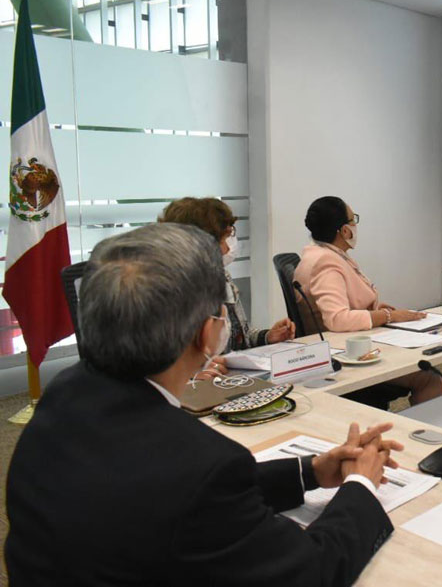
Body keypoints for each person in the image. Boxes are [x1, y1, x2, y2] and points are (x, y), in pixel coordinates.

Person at [5, 223, 401, 586]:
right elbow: (312, 573)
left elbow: (168, 493)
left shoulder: (64, 393)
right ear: (206, 333)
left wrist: (311, 471)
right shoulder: (203, 467)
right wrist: (361, 484)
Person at [294, 196, 442, 405]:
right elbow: (337, 319)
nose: (356, 225)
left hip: (349, 346)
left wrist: (373, 310)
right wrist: (387, 316)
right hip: (345, 358)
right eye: (353, 219)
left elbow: (339, 301)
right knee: (429, 377)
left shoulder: (324, 253)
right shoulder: (325, 262)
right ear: (344, 231)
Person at [159, 197, 295, 375]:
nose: (226, 249)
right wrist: (192, 373)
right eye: (221, 240)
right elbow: (154, 363)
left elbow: (238, 338)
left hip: (231, 379)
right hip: (195, 392)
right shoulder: (166, 290)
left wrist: (268, 337)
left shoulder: (221, 277)